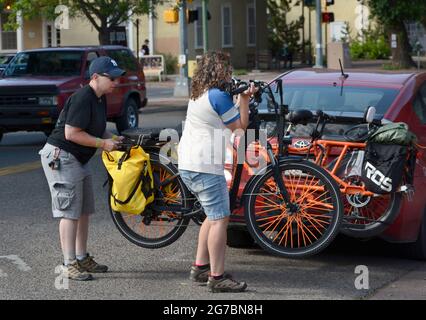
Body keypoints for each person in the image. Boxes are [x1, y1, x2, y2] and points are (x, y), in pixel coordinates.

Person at [39, 56, 126, 281]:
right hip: (62, 155)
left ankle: (81, 257)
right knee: (69, 212)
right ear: (95, 77)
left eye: (118, 77)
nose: (116, 82)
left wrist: (115, 139)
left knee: (84, 210)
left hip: (77, 157)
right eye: (112, 77)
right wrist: (103, 144)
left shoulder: (99, 98)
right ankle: (68, 264)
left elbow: (97, 129)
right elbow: (72, 133)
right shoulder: (82, 98)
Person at [178, 51, 257, 293]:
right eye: (228, 69)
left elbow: (221, 117)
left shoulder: (200, 93)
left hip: (189, 163)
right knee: (220, 219)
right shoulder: (218, 96)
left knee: (211, 217)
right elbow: (240, 128)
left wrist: (237, 98)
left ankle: (200, 267)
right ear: (220, 71)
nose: (230, 73)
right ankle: (217, 276)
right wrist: (244, 99)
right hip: (205, 166)